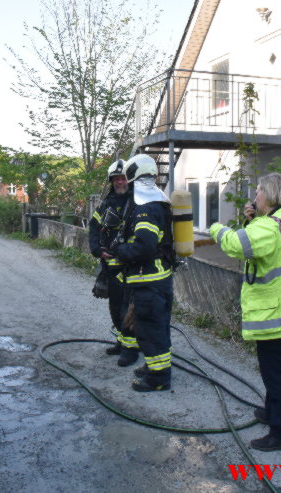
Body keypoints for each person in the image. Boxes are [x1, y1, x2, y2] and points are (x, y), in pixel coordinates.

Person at [210, 173, 281, 452]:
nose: (254, 196)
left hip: (277, 312)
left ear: (269, 195)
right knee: (275, 370)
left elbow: (239, 245)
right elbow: (262, 247)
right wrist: (253, 219)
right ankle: (272, 413)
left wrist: (216, 228)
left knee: (277, 374)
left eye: (258, 191)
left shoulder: (268, 227)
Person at [108, 154, 175, 392]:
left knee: (150, 329)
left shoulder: (145, 208)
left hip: (150, 280)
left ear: (134, 177)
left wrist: (120, 250)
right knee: (157, 327)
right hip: (157, 279)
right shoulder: (158, 200)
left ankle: (159, 378)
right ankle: (154, 367)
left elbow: (144, 246)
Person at [88, 159, 137, 366]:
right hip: (111, 267)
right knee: (115, 307)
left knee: (129, 309)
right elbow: (93, 226)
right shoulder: (107, 203)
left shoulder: (138, 202)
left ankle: (131, 349)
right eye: (116, 179)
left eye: (123, 177)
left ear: (130, 179)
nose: (120, 182)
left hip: (132, 267)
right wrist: (97, 250)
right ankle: (121, 341)